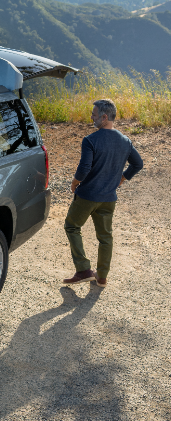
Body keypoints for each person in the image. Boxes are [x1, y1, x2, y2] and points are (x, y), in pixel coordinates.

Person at [63, 99, 143, 288]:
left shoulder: (90, 140)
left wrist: (75, 182)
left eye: (94, 114)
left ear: (104, 117)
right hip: (109, 198)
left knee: (72, 226)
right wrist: (122, 178)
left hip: (87, 196)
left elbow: (84, 168)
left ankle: (83, 270)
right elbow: (138, 164)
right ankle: (102, 277)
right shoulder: (125, 141)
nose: (91, 117)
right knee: (105, 237)